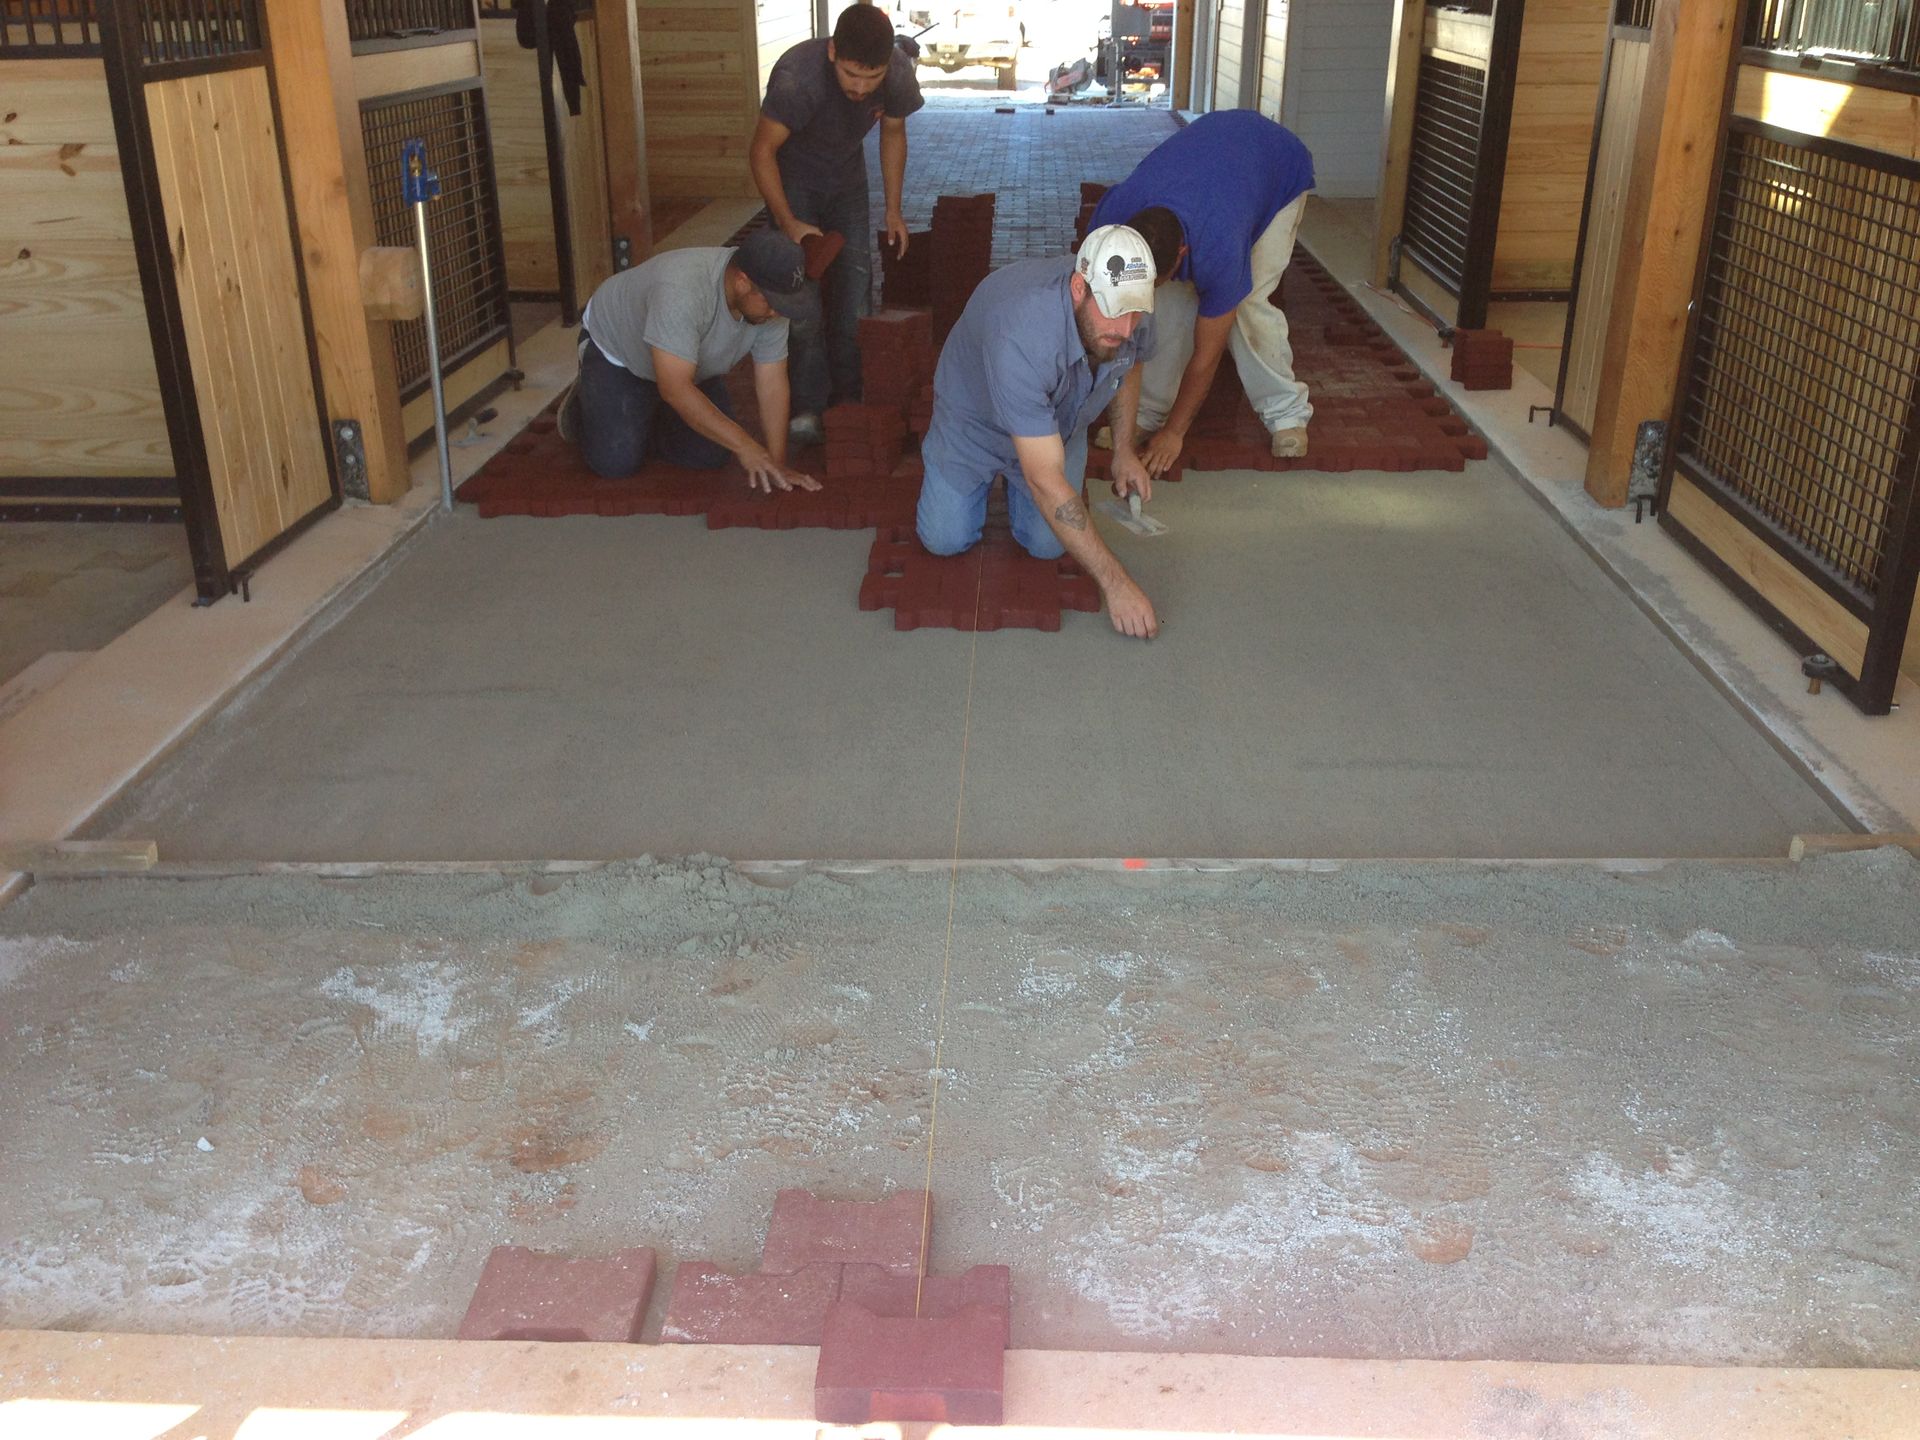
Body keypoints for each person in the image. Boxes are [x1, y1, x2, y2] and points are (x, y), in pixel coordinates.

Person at [916, 225, 1162, 640]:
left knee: (1047, 545)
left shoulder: (1133, 313)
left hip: (1060, 420)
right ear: (1079, 288)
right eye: (1114, 311)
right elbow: (1045, 479)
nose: (1125, 328)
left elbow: (1129, 365)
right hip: (975, 421)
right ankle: (971, 467)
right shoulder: (1021, 331)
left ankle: (1027, 468)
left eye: (1134, 313)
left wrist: (1124, 451)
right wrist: (1117, 585)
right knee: (945, 538)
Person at [1090, 109, 1316, 471]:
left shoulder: (1220, 245)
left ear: (1182, 253)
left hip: (1277, 166)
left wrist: (1176, 433)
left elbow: (1207, 356)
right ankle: (1148, 412)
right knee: (1162, 300)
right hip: (1217, 161)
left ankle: (1285, 412)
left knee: (1247, 301)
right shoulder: (1113, 218)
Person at [750, 2, 924, 445]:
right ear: (832, 53)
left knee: (855, 289)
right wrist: (788, 222)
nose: (862, 88)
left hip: (847, 180)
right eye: (851, 75)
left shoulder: (898, 73)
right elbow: (761, 152)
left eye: (873, 77)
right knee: (803, 298)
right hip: (795, 182)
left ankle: (847, 400)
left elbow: (893, 134)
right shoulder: (797, 79)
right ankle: (807, 406)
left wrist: (893, 209)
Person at [556, 231, 821, 493]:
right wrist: (745, 445)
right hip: (619, 352)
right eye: (772, 302)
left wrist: (777, 464)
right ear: (742, 281)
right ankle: (587, 407)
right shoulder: (682, 290)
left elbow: (772, 383)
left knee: (712, 452)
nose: (777, 311)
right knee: (615, 461)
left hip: (684, 365)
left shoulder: (768, 306)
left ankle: (649, 409)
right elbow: (675, 389)